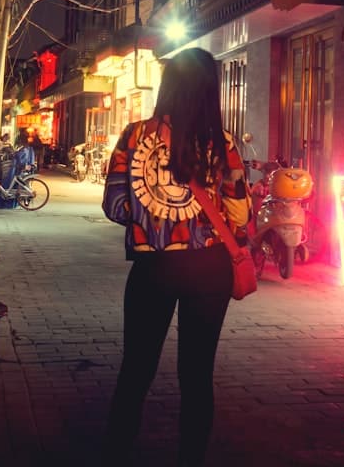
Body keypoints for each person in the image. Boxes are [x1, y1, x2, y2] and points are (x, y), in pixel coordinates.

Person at [99, 48, 251, 467]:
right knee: (197, 375)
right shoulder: (223, 144)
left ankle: (116, 453)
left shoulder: (133, 136)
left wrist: (151, 221)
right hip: (210, 269)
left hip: (154, 269)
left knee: (136, 370)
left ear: (167, 86)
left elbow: (114, 206)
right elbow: (240, 215)